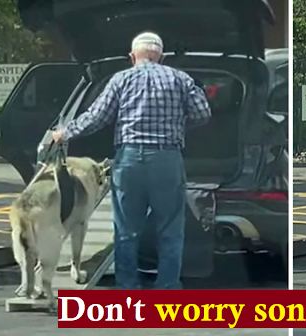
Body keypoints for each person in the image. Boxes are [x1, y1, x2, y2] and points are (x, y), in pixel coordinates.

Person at [52, 31, 212, 289]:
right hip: (166, 158)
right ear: (161, 56)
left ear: (131, 56)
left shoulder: (120, 79)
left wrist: (64, 133)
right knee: (170, 229)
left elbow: (96, 117)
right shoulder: (180, 79)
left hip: (129, 160)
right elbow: (203, 113)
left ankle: (128, 289)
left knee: (126, 230)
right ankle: (167, 287)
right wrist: (179, 126)